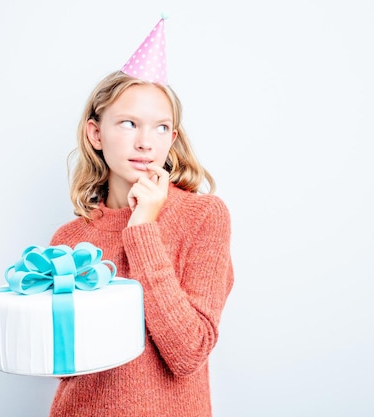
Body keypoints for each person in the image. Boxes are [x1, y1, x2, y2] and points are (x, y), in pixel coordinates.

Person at [47, 16, 234, 417]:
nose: (145, 142)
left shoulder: (204, 216)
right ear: (96, 135)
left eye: (160, 127)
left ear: (173, 138)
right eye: (128, 123)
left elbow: (188, 352)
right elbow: (65, 365)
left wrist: (144, 229)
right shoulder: (68, 236)